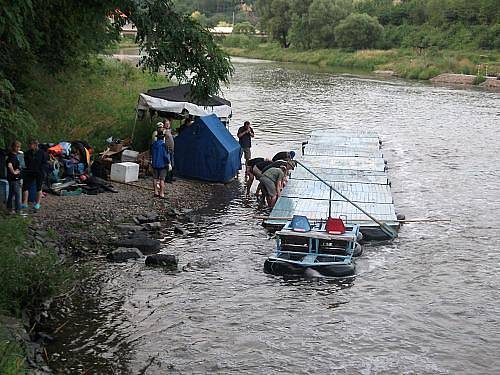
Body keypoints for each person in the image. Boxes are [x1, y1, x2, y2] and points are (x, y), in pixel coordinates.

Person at [22, 139, 48, 210]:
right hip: (29, 171)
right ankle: (25, 203)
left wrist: (42, 171)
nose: (29, 146)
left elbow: (45, 163)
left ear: (35, 145)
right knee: (25, 187)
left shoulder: (42, 153)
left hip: (39, 172)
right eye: (29, 144)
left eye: (31, 144)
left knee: (38, 188)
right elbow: (26, 162)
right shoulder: (27, 153)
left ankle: (37, 203)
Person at [151, 132, 170, 198]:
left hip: (155, 164)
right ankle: (161, 193)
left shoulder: (153, 144)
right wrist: (168, 162)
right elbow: (165, 156)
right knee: (162, 179)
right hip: (162, 165)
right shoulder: (164, 145)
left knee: (155, 178)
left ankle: (156, 192)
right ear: (163, 138)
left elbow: (152, 154)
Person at [6, 141, 22, 213]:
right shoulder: (12, 156)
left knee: (11, 193)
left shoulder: (14, 155)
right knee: (17, 194)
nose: (18, 148)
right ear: (13, 147)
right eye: (17, 147)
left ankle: (9, 209)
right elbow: (9, 165)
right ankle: (18, 210)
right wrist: (14, 172)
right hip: (14, 178)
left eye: (19, 147)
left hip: (12, 178)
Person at [163, 118, 175, 183]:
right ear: (164, 125)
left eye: (168, 124)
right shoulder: (164, 131)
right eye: (166, 124)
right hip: (167, 149)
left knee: (172, 164)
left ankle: (171, 177)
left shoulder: (169, 131)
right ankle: (167, 178)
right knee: (168, 163)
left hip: (171, 150)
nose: (168, 125)